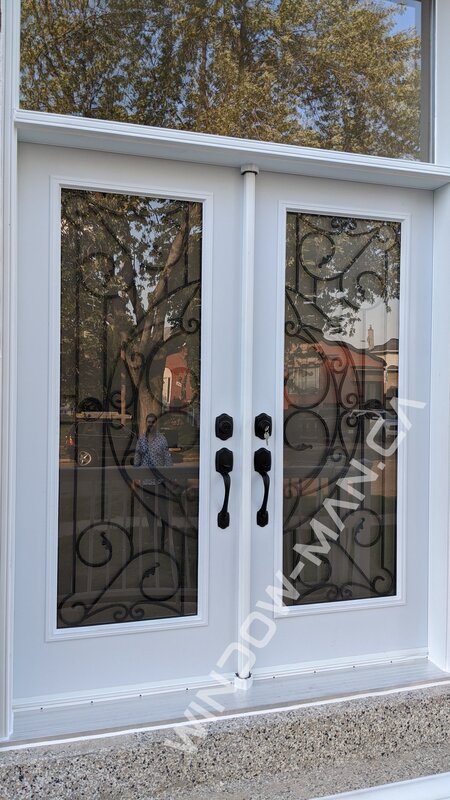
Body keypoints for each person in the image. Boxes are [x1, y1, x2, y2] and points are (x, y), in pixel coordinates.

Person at [134, 413, 173, 546]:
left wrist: (169, 479)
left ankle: (165, 536)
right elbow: (137, 460)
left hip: (160, 483)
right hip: (147, 484)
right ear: (146, 423)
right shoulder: (141, 441)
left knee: (163, 511)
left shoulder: (162, 440)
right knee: (150, 512)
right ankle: (153, 536)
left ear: (156, 423)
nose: (150, 424)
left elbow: (168, 461)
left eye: (153, 422)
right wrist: (136, 478)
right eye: (148, 422)